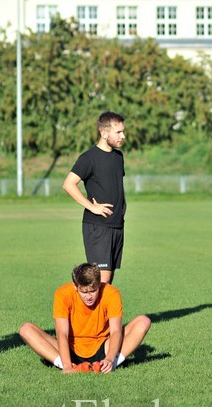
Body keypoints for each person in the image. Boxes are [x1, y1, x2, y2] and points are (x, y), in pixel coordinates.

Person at [18, 263, 151, 374]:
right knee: (26, 329)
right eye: (84, 292)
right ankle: (71, 367)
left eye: (93, 291)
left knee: (143, 321)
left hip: (103, 347)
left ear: (99, 284)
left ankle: (109, 365)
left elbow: (116, 331)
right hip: (70, 350)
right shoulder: (62, 294)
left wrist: (110, 358)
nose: (89, 296)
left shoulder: (111, 293)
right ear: (75, 286)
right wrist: (67, 365)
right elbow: (62, 333)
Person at [63, 111, 127, 285]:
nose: (123, 136)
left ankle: (100, 313)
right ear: (104, 133)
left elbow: (115, 186)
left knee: (107, 281)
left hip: (116, 226)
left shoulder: (118, 157)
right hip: (98, 227)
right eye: (118, 132)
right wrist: (92, 207)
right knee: (101, 282)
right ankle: (82, 311)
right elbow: (69, 184)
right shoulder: (88, 158)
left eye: (123, 131)